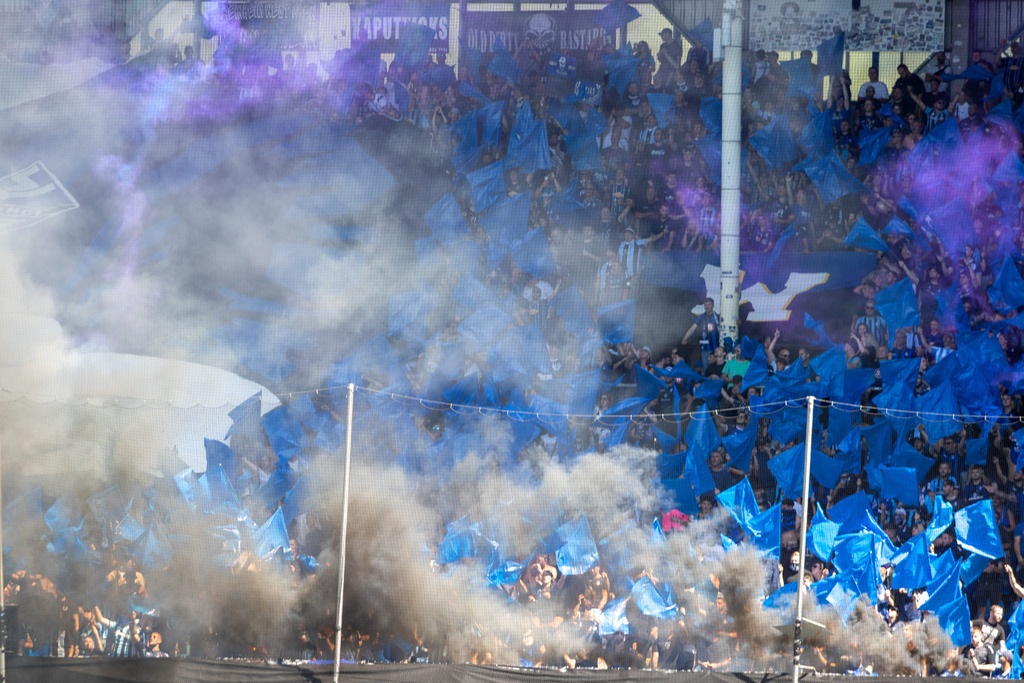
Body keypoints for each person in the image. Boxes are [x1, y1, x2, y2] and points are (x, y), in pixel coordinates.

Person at [682, 297, 722, 369]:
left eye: (709, 304)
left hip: (717, 349)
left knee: (717, 369)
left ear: (713, 305)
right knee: (706, 370)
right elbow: (692, 329)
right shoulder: (701, 317)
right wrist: (685, 338)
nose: (707, 306)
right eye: (705, 305)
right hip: (705, 350)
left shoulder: (718, 317)